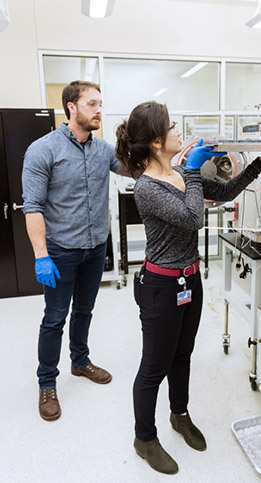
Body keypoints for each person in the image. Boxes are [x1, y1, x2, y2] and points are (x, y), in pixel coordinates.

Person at [115, 100, 261, 475]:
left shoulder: (181, 174)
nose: (178, 131)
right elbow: (194, 218)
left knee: (182, 355)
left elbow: (229, 191)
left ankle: (179, 415)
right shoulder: (148, 189)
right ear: (155, 142)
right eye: (171, 127)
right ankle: (144, 438)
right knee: (154, 366)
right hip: (161, 287)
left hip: (190, 280)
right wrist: (195, 170)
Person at [22, 80, 120, 421]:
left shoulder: (105, 150)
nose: (98, 110)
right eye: (91, 103)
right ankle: (47, 382)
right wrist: (41, 255)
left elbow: (141, 171)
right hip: (61, 251)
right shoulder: (42, 150)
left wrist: (175, 159)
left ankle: (80, 361)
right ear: (71, 107)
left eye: (99, 103)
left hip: (95, 249)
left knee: (85, 311)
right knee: (54, 318)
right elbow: (32, 207)